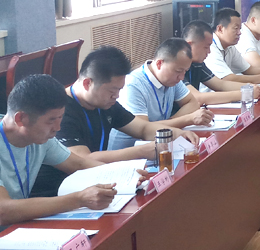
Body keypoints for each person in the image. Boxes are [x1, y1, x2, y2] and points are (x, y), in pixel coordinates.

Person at [31, 46, 199, 197]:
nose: (117, 96)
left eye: (119, 90)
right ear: (87, 83)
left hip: (94, 183)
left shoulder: (105, 103)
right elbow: (82, 159)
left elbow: (142, 128)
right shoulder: (61, 111)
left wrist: (177, 133)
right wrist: (140, 151)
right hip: (59, 191)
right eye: (112, 91)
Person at [0, 75, 142, 226]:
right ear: (21, 119)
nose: (57, 128)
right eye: (51, 120)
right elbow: (3, 211)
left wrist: (126, 176)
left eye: (60, 118)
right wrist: (79, 199)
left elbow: (79, 164)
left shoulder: (41, 138)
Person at [109, 38, 214, 150]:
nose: (182, 77)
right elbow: (144, 130)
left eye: (185, 71)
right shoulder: (133, 84)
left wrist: (169, 123)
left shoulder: (172, 79)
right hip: (132, 153)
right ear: (159, 64)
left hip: (160, 145)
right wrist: (188, 119)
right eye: (179, 71)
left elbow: (192, 103)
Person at [182, 20, 260, 106]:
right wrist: (244, 94)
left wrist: (249, 87)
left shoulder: (197, 64)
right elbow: (198, 98)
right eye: (206, 47)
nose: (209, 52)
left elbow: (220, 84)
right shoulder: (177, 66)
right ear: (189, 45)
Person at [204, 8, 260, 85]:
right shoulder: (210, 47)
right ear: (220, 29)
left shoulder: (230, 47)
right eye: (236, 28)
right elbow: (228, 79)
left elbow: (248, 70)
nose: (239, 32)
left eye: (240, 28)